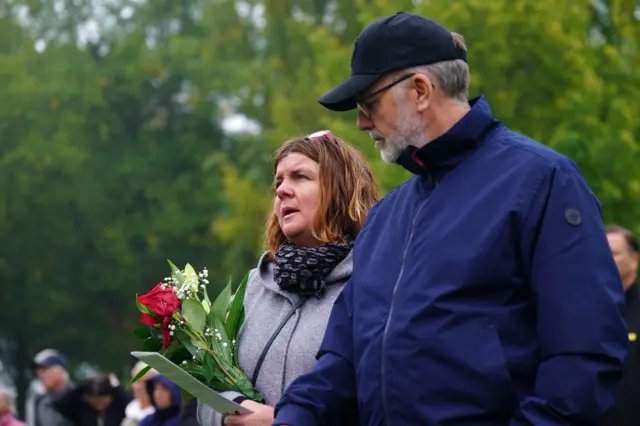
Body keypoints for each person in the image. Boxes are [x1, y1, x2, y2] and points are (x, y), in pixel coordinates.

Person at [272, 11, 629, 426]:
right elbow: (343, 359)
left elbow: (584, 358)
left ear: (420, 90)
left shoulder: (542, 182)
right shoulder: (385, 217)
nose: (361, 121)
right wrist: (295, 416)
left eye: (369, 103)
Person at [197, 131, 379, 426]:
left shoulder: (374, 285)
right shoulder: (252, 288)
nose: (281, 190)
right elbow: (206, 391)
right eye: (278, 181)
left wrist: (285, 421)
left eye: (300, 177)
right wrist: (229, 416)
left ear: (341, 190)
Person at [601, 224, 640, 426]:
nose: (606, 258)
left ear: (634, 260)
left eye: (614, 253)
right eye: (601, 252)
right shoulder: (585, 309)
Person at [51, 373, 130, 426]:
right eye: (95, 401)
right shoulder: (80, 407)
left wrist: (118, 387)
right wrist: (82, 386)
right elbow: (56, 401)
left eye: (103, 401)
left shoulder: (119, 405)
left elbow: (132, 402)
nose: (99, 405)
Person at [31, 349, 71, 426]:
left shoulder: (78, 399)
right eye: (38, 370)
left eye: (45, 369)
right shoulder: (39, 401)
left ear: (61, 371)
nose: (40, 375)